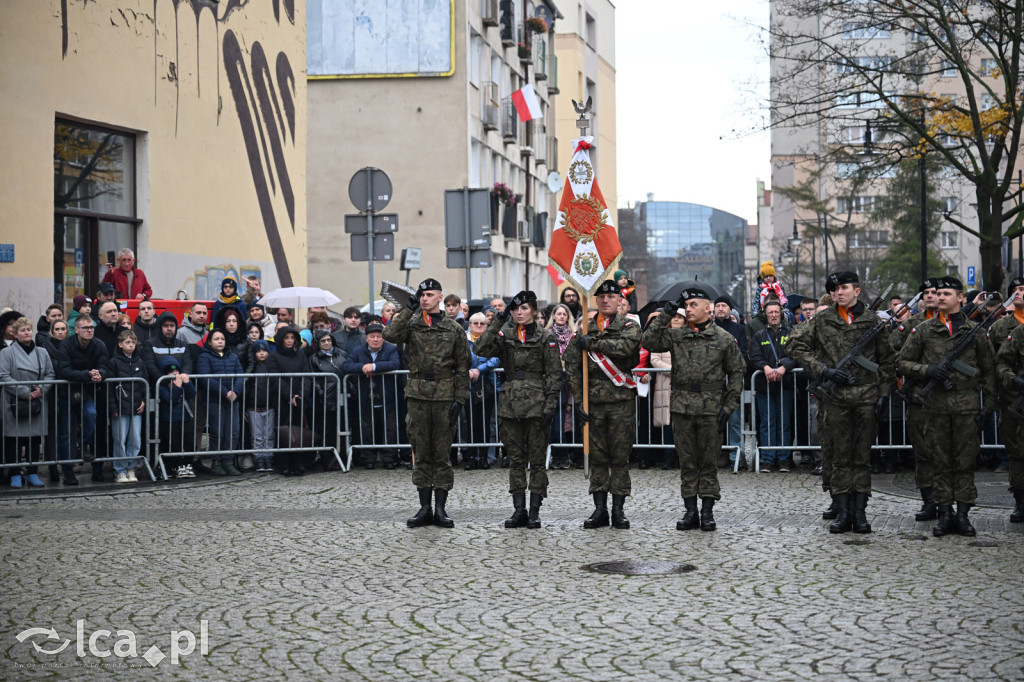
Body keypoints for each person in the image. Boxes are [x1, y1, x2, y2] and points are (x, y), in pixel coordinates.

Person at [788, 271, 896, 534]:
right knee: (838, 458)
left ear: (857, 291)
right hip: (834, 399)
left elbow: (887, 360)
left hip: (865, 398)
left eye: (844, 287)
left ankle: (860, 513)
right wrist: (823, 370)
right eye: (834, 289)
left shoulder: (874, 322)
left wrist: (883, 394)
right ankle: (843, 511)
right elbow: (794, 345)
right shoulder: (823, 319)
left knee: (861, 457)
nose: (838, 292)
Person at [899, 276, 996, 537]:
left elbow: (988, 371)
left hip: (967, 407)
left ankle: (963, 516)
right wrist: (928, 370)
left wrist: (988, 407)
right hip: (935, 406)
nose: (941, 297)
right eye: (938, 293)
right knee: (939, 461)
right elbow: (903, 363)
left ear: (961, 298)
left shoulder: (975, 332)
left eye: (947, 294)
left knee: (965, 462)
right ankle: (944, 514)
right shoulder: (924, 330)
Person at [642, 290, 744, 532]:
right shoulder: (676, 336)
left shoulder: (723, 338)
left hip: (711, 409)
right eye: (685, 305)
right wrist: (668, 311)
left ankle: (707, 513)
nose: (687, 309)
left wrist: (729, 406)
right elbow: (648, 340)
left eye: (693, 304)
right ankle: (690, 512)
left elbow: (737, 372)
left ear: (708, 308)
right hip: (682, 408)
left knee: (708, 462)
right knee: (687, 463)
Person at [383, 278, 470, 529]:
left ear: (440, 297)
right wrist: (408, 309)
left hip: (444, 395)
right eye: (422, 294)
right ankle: (424, 507)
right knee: (421, 452)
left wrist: (460, 398)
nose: (424, 298)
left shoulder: (453, 329)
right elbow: (389, 334)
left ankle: (441, 508)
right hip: (418, 395)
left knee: (441, 453)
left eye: (430, 294)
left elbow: (463, 366)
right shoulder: (411, 324)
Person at [475, 291, 561, 528]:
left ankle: (534, 510)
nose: (519, 313)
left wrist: (550, 405)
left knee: (536, 460)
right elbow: (481, 348)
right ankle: (519, 510)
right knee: (515, 460)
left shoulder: (546, 337)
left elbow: (554, 374)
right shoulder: (505, 334)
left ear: (533, 310)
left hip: (537, 403)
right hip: (510, 403)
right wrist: (499, 320)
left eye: (524, 308)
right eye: (515, 309)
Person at [564, 279, 641, 529]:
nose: (606, 300)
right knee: (597, 457)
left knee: (619, 457)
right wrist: (579, 400)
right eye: (601, 297)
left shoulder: (629, 325)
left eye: (611, 296)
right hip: (593, 402)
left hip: (620, 402)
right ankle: (599, 510)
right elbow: (573, 366)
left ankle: (618, 510)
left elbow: (626, 349)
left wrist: (593, 343)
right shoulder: (584, 329)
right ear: (596, 300)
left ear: (620, 300)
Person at [891, 278, 940, 520]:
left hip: (948, 398)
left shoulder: (956, 325)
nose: (930, 296)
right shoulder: (911, 325)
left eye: (934, 292)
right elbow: (892, 354)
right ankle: (928, 501)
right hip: (919, 396)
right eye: (926, 293)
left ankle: (949, 503)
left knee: (947, 452)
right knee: (923, 452)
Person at [0, 317, 55, 488]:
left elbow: (50, 374)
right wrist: (25, 392)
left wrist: (40, 390)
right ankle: (15, 473)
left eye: (29, 330)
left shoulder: (42, 352)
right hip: (14, 402)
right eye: (23, 330)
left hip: (36, 402)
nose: (27, 333)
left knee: (34, 439)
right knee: (13, 440)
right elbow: (3, 375)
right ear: (15, 334)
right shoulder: (6, 353)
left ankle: (33, 472)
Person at [55, 315, 108, 481]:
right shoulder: (66, 345)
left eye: (91, 327)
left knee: (91, 414)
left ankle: (82, 442)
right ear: (76, 330)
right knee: (66, 432)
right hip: (67, 393)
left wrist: (101, 374)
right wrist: (87, 375)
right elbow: (63, 370)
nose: (89, 330)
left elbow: (105, 366)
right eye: (85, 328)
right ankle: (68, 470)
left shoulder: (99, 345)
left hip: (87, 392)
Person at [342, 322, 402, 469]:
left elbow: (395, 364)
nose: (376, 339)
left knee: (389, 428)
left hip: (386, 396)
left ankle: (389, 458)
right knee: (367, 427)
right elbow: (346, 366)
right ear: (366, 338)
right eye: (372, 336)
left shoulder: (390, 349)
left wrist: (374, 366)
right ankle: (369, 458)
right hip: (366, 396)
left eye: (379, 336)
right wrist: (362, 367)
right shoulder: (358, 351)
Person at [749, 300, 796, 472]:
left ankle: (783, 458)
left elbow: (797, 353)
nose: (774, 315)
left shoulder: (791, 333)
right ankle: (767, 458)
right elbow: (754, 356)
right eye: (770, 313)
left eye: (776, 312)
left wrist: (785, 367)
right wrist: (765, 367)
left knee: (784, 423)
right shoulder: (759, 335)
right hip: (765, 386)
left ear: (781, 313)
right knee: (767, 423)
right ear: (765, 315)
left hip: (786, 384)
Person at [197, 328, 245, 476]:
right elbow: (206, 378)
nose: (220, 341)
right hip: (214, 400)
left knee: (233, 432)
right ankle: (216, 461)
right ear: (210, 342)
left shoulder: (233, 356)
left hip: (233, 400)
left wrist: (235, 391)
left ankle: (228, 461)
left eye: (222, 339)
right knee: (217, 432)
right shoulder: (204, 357)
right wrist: (225, 392)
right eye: (216, 339)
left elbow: (240, 375)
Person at [265, 326, 309, 476]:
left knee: (298, 431)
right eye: (286, 338)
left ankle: (297, 463)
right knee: (282, 431)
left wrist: (301, 394)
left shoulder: (301, 355)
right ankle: (283, 464)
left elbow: (307, 375)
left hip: (299, 398)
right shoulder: (274, 356)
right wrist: (289, 395)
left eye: (292, 338)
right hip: (281, 399)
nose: (290, 341)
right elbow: (275, 378)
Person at [107, 330, 147, 483]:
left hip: (136, 405)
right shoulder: (114, 362)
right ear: (120, 344)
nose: (131, 345)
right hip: (120, 406)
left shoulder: (139, 361)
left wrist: (143, 400)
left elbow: (145, 382)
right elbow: (110, 387)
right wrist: (113, 407)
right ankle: (120, 470)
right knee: (120, 440)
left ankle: (131, 468)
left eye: (133, 342)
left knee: (135, 439)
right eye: (128, 342)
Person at [714, 296, 748, 468]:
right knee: (713, 420)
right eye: (718, 305)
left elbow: (743, 352)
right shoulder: (709, 328)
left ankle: (736, 455)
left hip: (732, 381)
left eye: (724, 305)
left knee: (734, 419)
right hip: (713, 383)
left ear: (730, 309)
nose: (721, 308)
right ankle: (717, 454)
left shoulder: (739, 329)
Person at [648, 309, 683, 470]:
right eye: (674, 317)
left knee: (682, 423)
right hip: (665, 383)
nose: (676, 320)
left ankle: (682, 457)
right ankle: (668, 457)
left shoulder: (689, 336)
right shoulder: (662, 338)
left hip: (683, 385)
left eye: (679, 317)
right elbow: (654, 359)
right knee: (667, 423)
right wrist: (673, 370)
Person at [307, 330, 346, 470]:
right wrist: (321, 393)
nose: (327, 343)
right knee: (327, 431)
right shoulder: (314, 358)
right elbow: (313, 378)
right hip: (325, 399)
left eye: (328, 340)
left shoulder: (341, 354)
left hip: (343, 396)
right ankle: (328, 460)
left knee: (344, 428)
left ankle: (343, 457)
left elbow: (347, 371)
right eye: (323, 341)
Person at [156, 356, 197, 479]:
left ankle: (188, 464)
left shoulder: (182, 383)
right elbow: (171, 400)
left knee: (189, 442)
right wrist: (178, 387)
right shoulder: (162, 387)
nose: (175, 374)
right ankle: (177, 466)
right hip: (170, 419)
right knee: (174, 444)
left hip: (186, 416)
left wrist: (187, 383)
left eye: (177, 371)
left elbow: (192, 394)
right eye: (171, 372)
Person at [245, 340, 276, 473]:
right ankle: (259, 457)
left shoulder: (272, 367)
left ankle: (269, 457)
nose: (262, 353)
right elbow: (247, 389)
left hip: (269, 406)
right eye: (258, 351)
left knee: (269, 434)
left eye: (264, 351)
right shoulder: (252, 368)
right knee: (257, 435)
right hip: (254, 406)